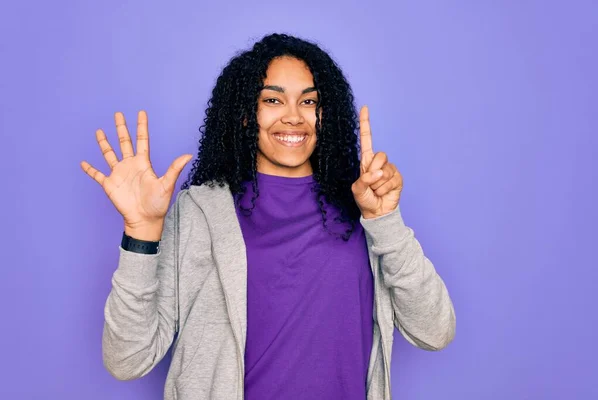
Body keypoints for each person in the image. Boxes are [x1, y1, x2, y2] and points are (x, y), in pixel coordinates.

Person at [81, 33, 456, 400]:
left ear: (326, 116)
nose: (293, 117)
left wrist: (385, 221)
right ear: (246, 114)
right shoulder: (200, 211)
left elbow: (435, 332)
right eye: (273, 100)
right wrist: (142, 231)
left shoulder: (363, 209)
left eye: (309, 102)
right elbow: (127, 360)